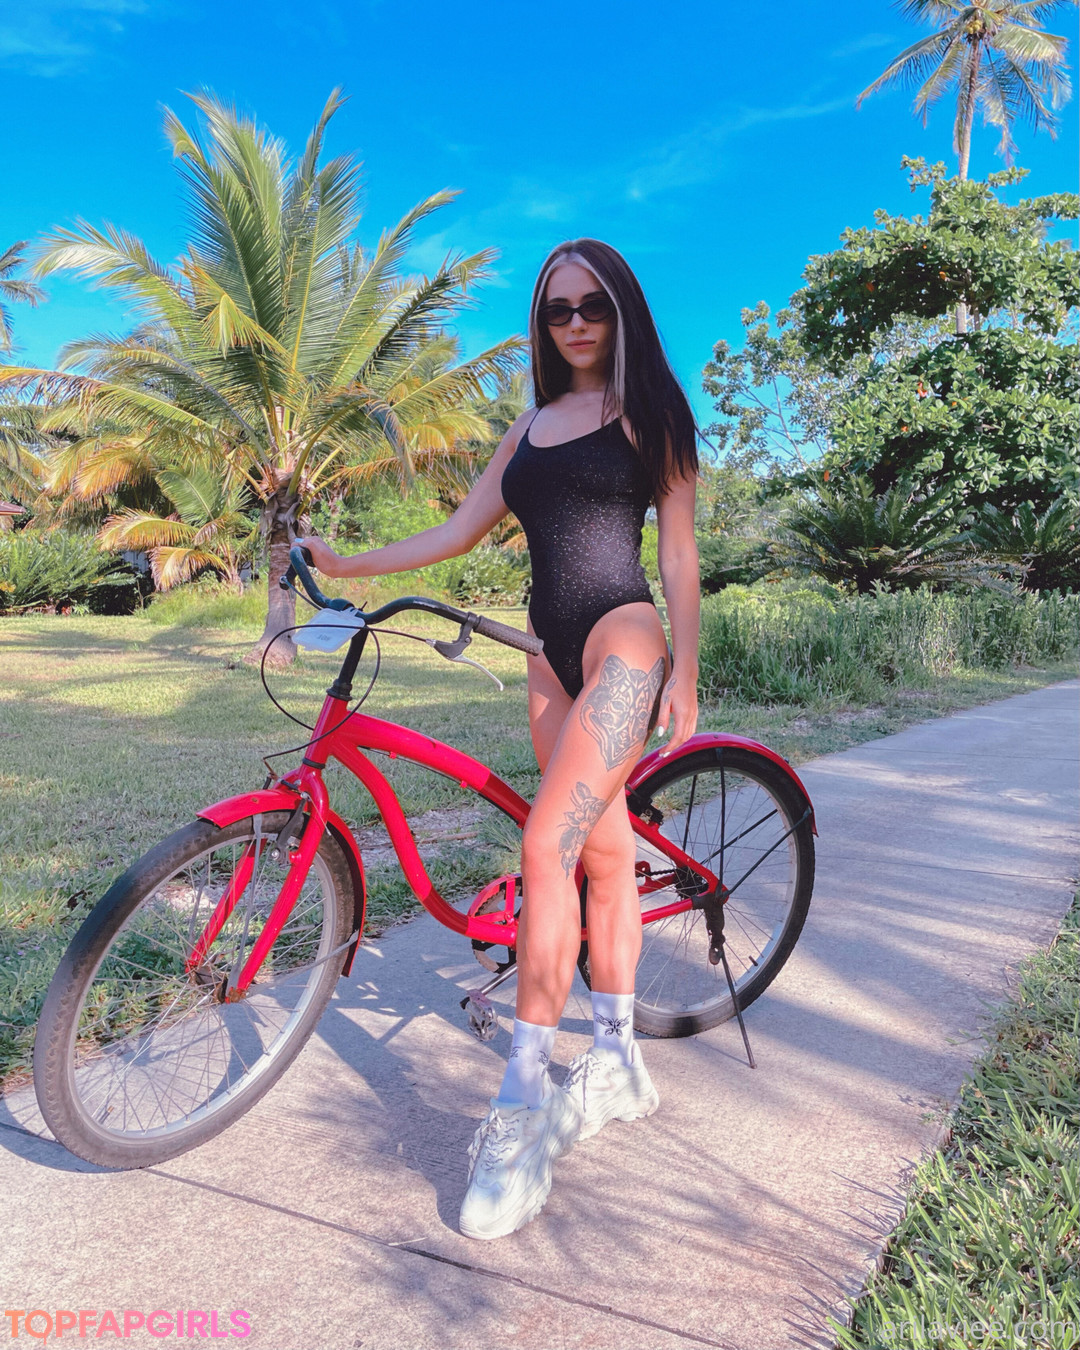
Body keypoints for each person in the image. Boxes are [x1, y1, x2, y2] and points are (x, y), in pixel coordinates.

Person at [298, 237, 700, 1240]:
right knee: (599, 854)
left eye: (593, 306)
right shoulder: (527, 426)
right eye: (558, 309)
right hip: (545, 652)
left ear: (621, 312)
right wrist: (346, 565)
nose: (575, 323)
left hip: (623, 639)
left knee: (543, 846)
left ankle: (524, 1104)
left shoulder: (651, 413)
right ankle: (618, 1060)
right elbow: (455, 532)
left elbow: (679, 555)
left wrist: (686, 671)